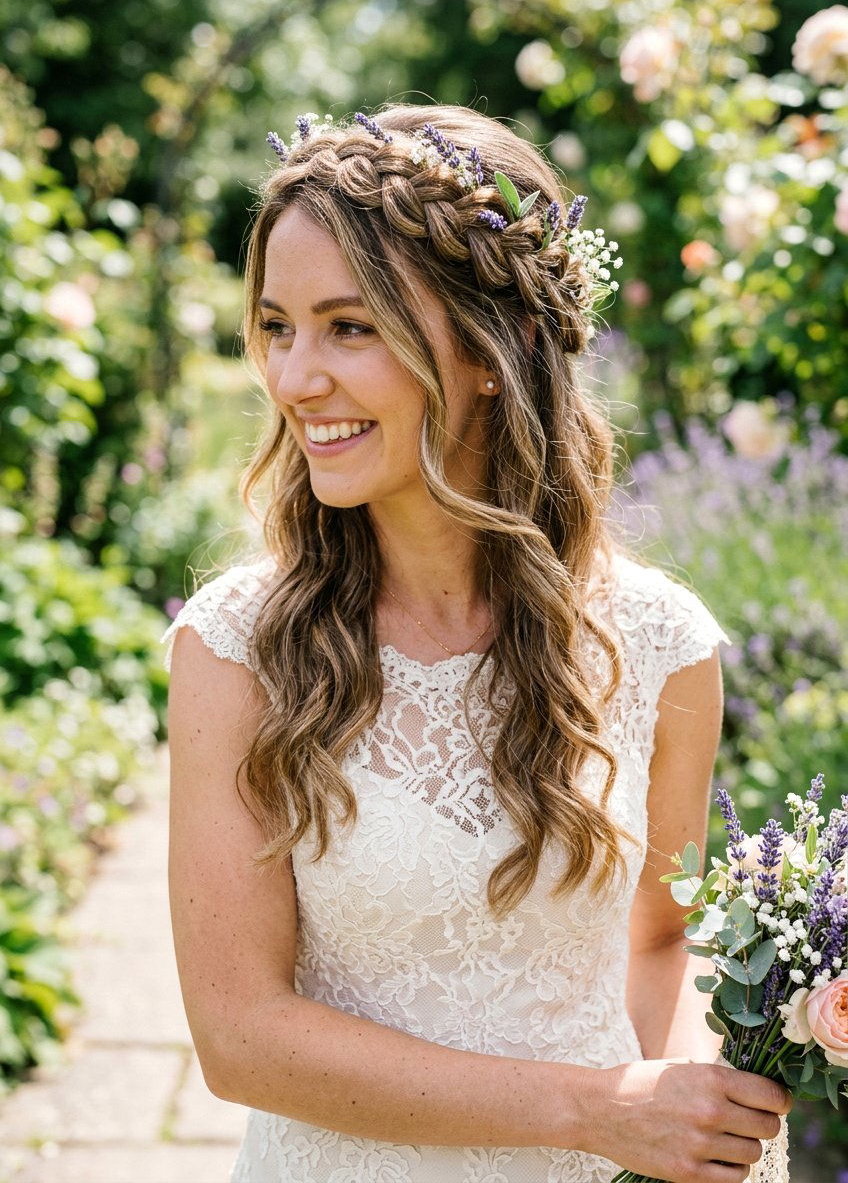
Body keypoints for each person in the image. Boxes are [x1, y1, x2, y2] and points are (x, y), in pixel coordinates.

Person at [161, 102, 792, 1183]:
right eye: (276, 325)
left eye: (348, 326)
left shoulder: (661, 645)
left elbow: (658, 937)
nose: (294, 377)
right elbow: (240, 1034)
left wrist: (689, 1114)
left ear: (492, 352)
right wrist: (595, 1109)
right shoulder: (235, 648)